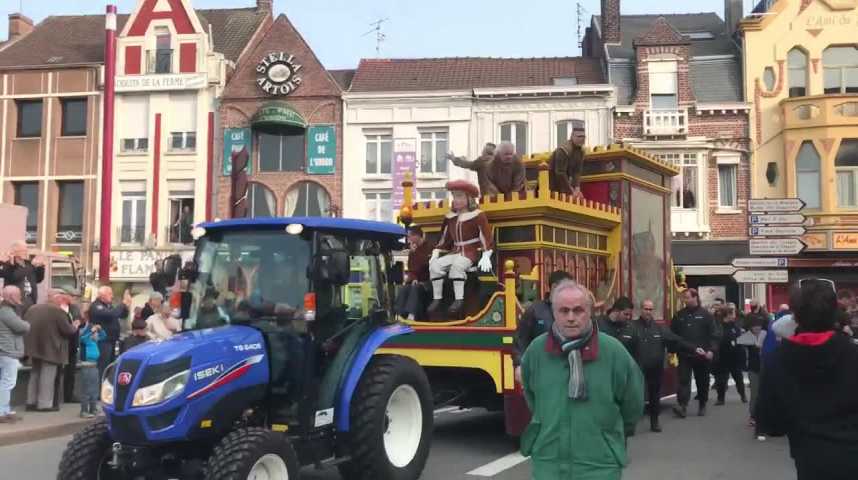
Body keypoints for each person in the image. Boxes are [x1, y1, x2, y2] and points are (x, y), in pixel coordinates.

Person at [520, 279, 644, 479]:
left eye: (578, 310)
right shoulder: (537, 350)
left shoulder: (613, 352)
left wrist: (610, 435)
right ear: (554, 313)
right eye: (564, 311)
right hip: (548, 463)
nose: (571, 317)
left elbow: (633, 403)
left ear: (590, 312)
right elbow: (531, 393)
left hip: (599, 464)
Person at [756, 279, 858, 479]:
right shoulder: (852, 353)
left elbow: (770, 420)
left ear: (795, 315)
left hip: (809, 456)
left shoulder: (778, 358)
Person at [428, 180, 494, 318]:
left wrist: (486, 254)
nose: (456, 200)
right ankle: (437, 299)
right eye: (454, 196)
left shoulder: (478, 215)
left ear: (468, 198)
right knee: (435, 266)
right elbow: (444, 240)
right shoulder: (450, 217)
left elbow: (485, 237)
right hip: (456, 251)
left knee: (457, 267)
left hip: (471, 253)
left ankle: (459, 300)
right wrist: (435, 253)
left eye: (459, 196)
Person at [634, 298, 701, 433]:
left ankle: (655, 422)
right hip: (637, 368)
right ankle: (632, 424)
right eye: (645, 309)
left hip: (655, 368)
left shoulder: (659, 328)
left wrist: (694, 348)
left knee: (654, 397)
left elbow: (677, 340)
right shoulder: (633, 327)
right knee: (635, 396)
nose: (648, 312)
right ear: (640, 310)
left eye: (650, 309)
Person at [23, 289, 80, 411]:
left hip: (33, 347)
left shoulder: (32, 309)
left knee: (35, 374)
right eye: (61, 299)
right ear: (56, 299)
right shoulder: (57, 312)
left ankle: (30, 401)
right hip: (51, 348)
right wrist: (75, 325)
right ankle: (44, 404)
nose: (62, 302)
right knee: (47, 376)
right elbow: (67, 330)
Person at [513, 270, 573, 383]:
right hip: (541, 370)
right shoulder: (535, 310)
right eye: (567, 288)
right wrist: (519, 365)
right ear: (554, 287)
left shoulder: (571, 311)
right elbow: (520, 341)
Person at [670, 288, 719, 418]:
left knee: (702, 381)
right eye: (684, 298)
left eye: (687, 297)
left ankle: (702, 404)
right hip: (685, 354)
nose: (684, 300)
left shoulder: (706, 315)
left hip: (702, 355)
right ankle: (682, 406)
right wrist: (672, 349)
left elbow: (714, 335)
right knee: (683, 380)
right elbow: (673, 334)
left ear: (695, 297)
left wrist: (712, 350)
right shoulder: (679, 315)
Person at [0, 286, 29, 423]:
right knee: (8, 383)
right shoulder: (6, 311)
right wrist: (26, 324)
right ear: (10, 296)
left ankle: (5, 410)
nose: (20, 298)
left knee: (5, 382)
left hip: (5, 351)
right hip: (8, 351)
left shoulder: (6, 309)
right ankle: (2, 411)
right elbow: (22, 327)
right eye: (18, 295)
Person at [737, 311, 767, 440]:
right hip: (753, 369)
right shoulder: (746, 336)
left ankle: (763, 416)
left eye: (759, 325)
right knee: (755, 393)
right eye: (754, 325)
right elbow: (738, 342)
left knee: (764, 393)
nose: (757, 327)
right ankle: (753, 416)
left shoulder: (766, 334)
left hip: (765, 368)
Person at [90, 286, 131, 378]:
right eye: (110, 294)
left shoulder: (108, 306)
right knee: (103, 366)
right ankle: (100, 387)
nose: (112, 296)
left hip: (112, 340)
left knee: (111, 366)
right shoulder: (96, 306)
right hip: (103, 341)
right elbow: (111, 315)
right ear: (102, 295)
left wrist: (126, 306)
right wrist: (122, 303)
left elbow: (122, 315)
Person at [394, 226, 433, 321]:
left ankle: (412, 314)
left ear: (417, 236)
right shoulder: (413, 251)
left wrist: (415, 253)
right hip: (417, 280)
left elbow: (426, 264)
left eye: (410, 236)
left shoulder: (430, 248)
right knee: (405, 288)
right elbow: (411, 268)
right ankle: (399, 313)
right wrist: (414, 278)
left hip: (429, 281)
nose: (409, 239)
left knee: (416, 287)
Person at [713, 304, 747, 405]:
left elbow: (738, 340)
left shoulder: (735, 327)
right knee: (721, 380)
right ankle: (720, 398)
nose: (734, 316)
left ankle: (743, 395)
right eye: (732, 314)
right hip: (722, 357)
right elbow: (717, 340)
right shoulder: (719, 327)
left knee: (738, 378)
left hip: (734, 357)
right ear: (727, 315)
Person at [0, 241, 45, 311]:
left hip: (30, 299)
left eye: (26, 250)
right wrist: (12, 264)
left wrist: (41, 267)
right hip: (16, 300)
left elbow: (38, 279)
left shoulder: (29, 264)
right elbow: (13, 277)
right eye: (23, 250)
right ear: (14, 252)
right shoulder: (9, 265)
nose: (26, 252)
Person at [548, 119, 586, 198]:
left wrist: (577, 188)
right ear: (572, 136)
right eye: (579, 136)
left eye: (583, 137)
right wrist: (570, 191)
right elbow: (560, 173)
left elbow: (577, 172)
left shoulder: (581, 152)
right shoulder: (563, 150)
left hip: (564, 183)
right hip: (551, 184)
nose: (581, 139)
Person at [77, 313, 104, 418]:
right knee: (86, 389)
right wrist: (91, 331)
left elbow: (103, 335)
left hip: (94, 366)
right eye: (95, 333)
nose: (96, 335)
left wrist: (99, 330)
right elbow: (82, 338)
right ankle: (84, 410)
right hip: (87, 366)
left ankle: (93, 409)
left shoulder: (94, 340)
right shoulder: (87, 339)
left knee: (94, 389)